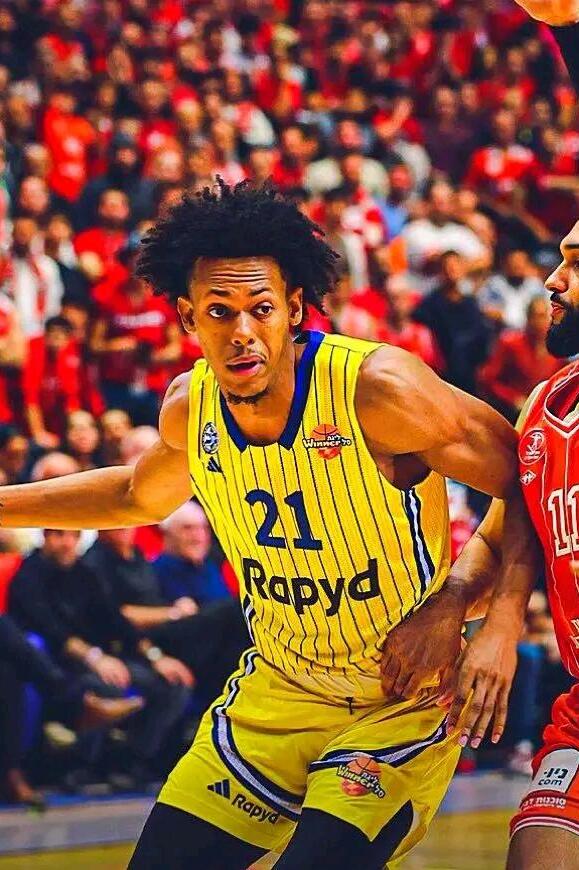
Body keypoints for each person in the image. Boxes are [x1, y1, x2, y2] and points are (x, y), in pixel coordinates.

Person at [0, 181, 519, 869]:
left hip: (398, 705)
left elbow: (530, 479)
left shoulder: (380, 391)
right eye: (220, 312)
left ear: (293, 308)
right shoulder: (190, 408)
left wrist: (470, 610)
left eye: (261, 308)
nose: (241, 331)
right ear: (189, 317)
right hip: (275, 696)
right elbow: (132, 495)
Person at [479, 297, 565, 423]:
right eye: (539, 316)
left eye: (547, 316)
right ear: (529, 319)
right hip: (508, 414)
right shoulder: (510, 343)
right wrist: (513, 398)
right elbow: (488, 380)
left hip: (543, 417)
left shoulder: (558, 349)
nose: (544, 321)